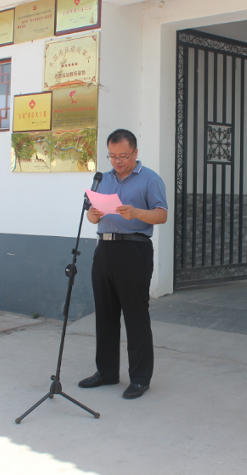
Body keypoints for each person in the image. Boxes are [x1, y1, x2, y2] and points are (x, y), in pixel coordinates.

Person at [78, 129, 168, 400]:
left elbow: (162, 214)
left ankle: (140, 378)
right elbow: (93, 216)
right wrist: (93, 216)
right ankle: (106, 372)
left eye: (123, 156)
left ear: (135, 153)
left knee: (135, 314)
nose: (117, 161)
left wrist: (136, 212)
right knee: (105, 314)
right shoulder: (101, 179)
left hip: (134, 249)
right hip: (104, 248)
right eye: (112, 156)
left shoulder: (150, 179)